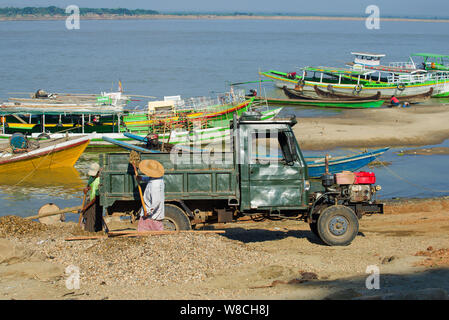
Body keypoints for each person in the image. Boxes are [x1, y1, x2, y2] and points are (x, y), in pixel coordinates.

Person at [136, 159, 165, 231]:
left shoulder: (155, 186)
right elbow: (150, 178)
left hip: (152, 215)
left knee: (152, 233)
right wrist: (142, 178)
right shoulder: (158, 178)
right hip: (151, 213)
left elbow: (157, 201)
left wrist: (148, 212)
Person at [82, 162, 104, 232]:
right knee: (87, 214)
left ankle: (95, 231)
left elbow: (95, 198)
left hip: (97, 201)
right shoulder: (92, 178)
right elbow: (90, 186)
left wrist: (86, 207)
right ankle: (88, 229)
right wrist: (87, 189)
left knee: (95, 217)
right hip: (92, 199)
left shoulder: (100, 181)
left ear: (98, 172)